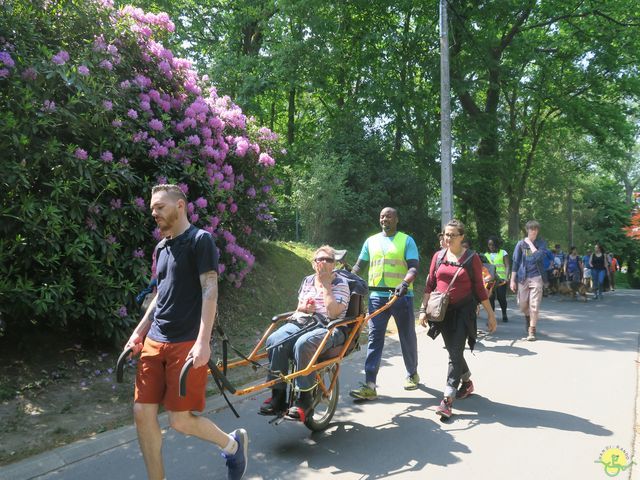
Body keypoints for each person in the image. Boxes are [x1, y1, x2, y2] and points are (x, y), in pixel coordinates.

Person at [124, 184, 248, 480]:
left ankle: (233, 445)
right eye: (152, 208)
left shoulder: (200, 240)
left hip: (187, 342)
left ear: (180, 206)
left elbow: (210, 291)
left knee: (179, 420)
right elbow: (159, 295)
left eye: (160, 207)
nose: (154, 213)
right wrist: (138, 332)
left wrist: (203, 342)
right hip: (155, 339)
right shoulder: (161, 247)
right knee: (142, 414)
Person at [259, 245, 350, 421]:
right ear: (313, 263)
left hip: (330, 327)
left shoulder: (340, 283)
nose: (323, 262)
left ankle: (304, 399)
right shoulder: (307, 280)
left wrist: (326, 286)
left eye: (328, 260)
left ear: (334, 264)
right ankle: (277, 396)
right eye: (319, 259)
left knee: (303, 343)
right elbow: (298, 308)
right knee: (274, 340)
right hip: (303, 322)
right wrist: (304, 307)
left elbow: (333, 313)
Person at [418, 219, 497, 420]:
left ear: (462, 237)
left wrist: (490, 314)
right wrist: (422, 310)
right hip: (442, 312)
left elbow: (479, 288)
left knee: (454, 353)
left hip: (464, 311)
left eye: (453, 235)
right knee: (454, 350)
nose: (448, 238)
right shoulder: (438, 257)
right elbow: (429, 285)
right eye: (446, 234)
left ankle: (447, 400)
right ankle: (467, 382)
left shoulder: (471, 258)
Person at [349, 207, 420, 400]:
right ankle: (370, 385)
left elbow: (414, 267)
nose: (384, 219)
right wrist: (346, 277)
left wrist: (405, 283)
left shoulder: (406, 240)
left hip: (401, 296)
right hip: (376, 297)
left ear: (396, 219)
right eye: (381, 216)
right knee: (374, 338)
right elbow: (359, 266)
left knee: (406, 336)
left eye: (388, 216)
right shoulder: (370, 241)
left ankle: (412, 373)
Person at [510, 220, 549, 341]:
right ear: (527, 230)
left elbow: (538, 256)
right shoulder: (520, 244)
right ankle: (527, 316)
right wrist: (512, 280)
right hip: (523, 277)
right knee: (522, 305)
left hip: (537, 277)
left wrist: (530, 243)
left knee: (534, 305)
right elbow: (515, 262)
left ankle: (532, 330)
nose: (534, 231)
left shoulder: (541, 243)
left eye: (536, 229)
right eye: (532, 229)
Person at [484, 236, 511, 323]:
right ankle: (492, 316)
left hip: (501, 280)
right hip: (490, 280)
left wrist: (506, 277)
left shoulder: (503, 253)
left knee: (501, 297)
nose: (491, 247)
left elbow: (507, 265)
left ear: (496, 244)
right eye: (489, 245)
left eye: (493, 245)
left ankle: (504, 313)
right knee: (490, 298)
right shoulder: (486, 255)